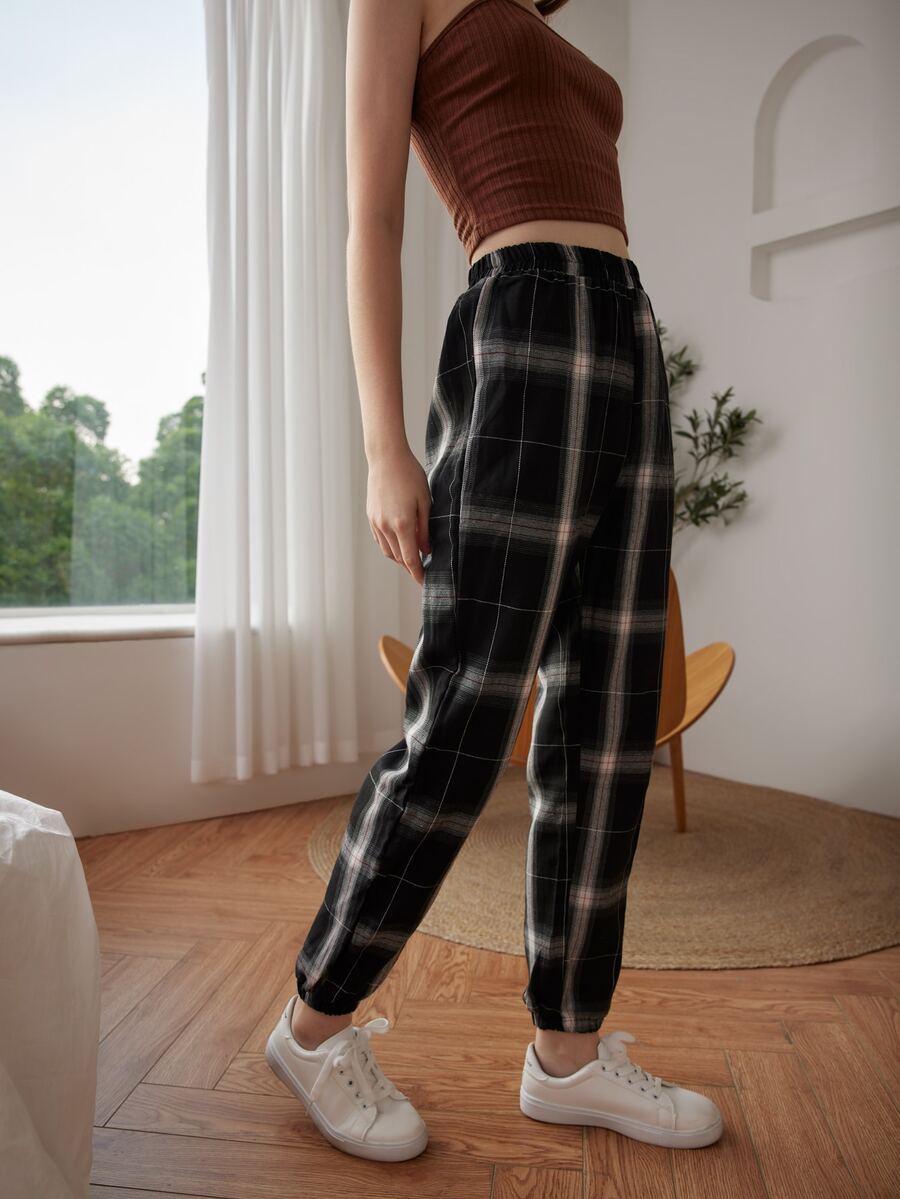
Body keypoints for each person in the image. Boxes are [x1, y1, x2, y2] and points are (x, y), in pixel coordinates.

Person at [265, 0, 723, 1161]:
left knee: (608, 721)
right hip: (522, 321)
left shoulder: (541, 22)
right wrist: (385, 448)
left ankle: (568, 1053)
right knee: (467, 712)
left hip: (627, 334)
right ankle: (314, 1023)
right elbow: (372, 220)